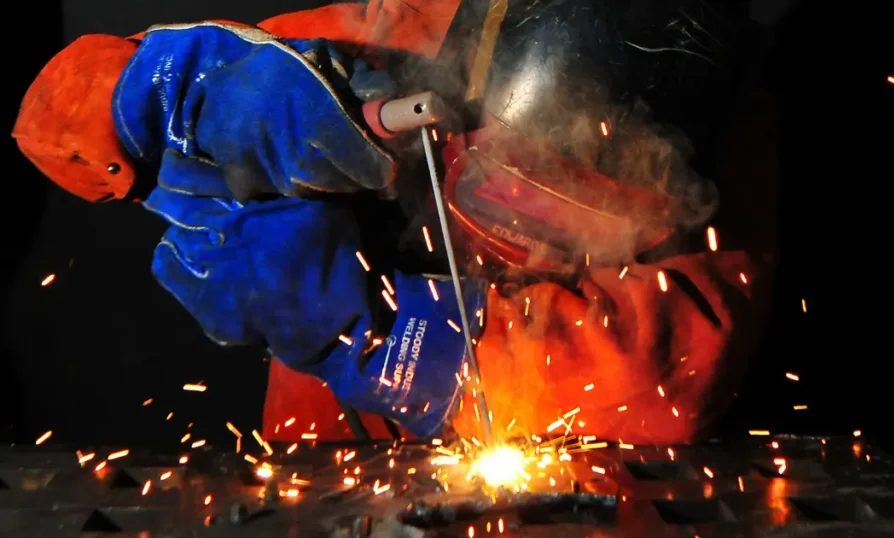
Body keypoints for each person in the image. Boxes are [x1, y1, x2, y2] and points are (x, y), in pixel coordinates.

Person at [13, 0, 776, 445]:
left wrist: (395, 343)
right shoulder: (375, 33)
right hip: (324, 468)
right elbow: (56, 121)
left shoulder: (725, 110)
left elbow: (661, 379)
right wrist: (146, 98)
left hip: (559, 490)